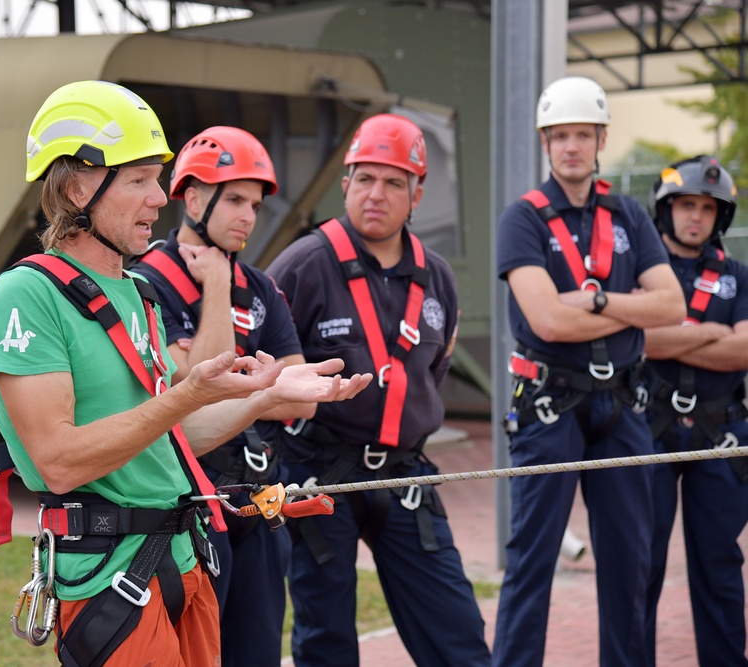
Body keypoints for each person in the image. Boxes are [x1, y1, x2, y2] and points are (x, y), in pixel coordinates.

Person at [0, 80, 371, 667]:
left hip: (183, 561)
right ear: (77, 183)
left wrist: (263, 397)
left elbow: (167, 443)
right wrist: (185, 394)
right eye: (138, 180)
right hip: (111, 576)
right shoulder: (27, 295)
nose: (160, 198)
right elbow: (57, 461)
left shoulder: (139, 294)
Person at [266, 112, 490, 667]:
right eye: (364, 179)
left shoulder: (436, 277)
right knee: (327, 641)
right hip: (318, 472)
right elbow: (263, 372)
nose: (376, 194)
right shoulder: (302, 265)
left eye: (394, 182)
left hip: (405, 474)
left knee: (458, 633)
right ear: (345, 185)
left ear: (418, 193)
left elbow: (433, 370)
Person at [492, 76, 686, 666]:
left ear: (601, 138)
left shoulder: (628, 214)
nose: (571, 146)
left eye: (582, 134)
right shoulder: (522, 219)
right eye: (560, 136)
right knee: (532, 562)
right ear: (545, 143)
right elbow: (547, 321)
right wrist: (629, 310)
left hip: (623, 406)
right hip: (550, 406)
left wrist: (597, 303)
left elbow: (673, 306)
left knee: (631, 564)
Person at [129, 126, 305, 667]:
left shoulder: (263, 286)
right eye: (234, 199)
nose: (248, 216)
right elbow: (197, 391)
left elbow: (301, 396)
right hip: (196, 505)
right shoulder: (146, 282)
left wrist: (261, 384)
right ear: (196, 197)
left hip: (258, 496)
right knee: (199, 652)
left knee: (257, 652)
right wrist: (217, 288)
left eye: (253, 203)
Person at [642, 155, 748, 666]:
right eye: (686, 204)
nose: (696, 217)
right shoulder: (643, 274)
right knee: (640, 564)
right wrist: (712, 332)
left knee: (720, 565)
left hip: (721, 434)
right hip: (649, 432)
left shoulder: (739, 277)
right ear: (666, 210)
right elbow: (640, 342)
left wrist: (674, 338)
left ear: (719, 217)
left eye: (708, 208)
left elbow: (743, 350)